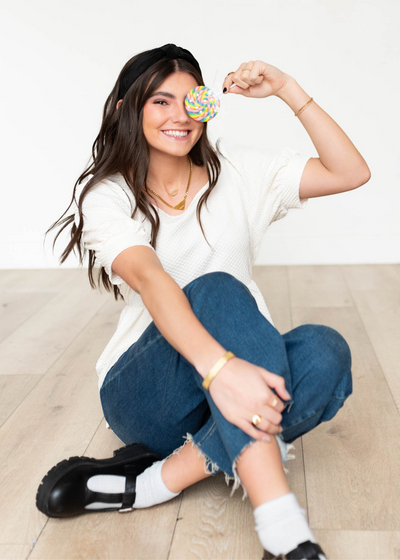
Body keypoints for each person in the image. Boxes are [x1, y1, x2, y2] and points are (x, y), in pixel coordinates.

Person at [39, 43, 370, 560]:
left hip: (239, 377)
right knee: (217, 287)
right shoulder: (109, 196)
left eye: (191, 102)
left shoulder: (240, 176)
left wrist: (286, 89)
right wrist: (221, 369)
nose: (179, 116)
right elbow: (152, 281)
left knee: (326, 353)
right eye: (160, 102)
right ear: (130, 108)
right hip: (151, 396)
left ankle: (154, 483)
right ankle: (285, 533)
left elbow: (351, 171)